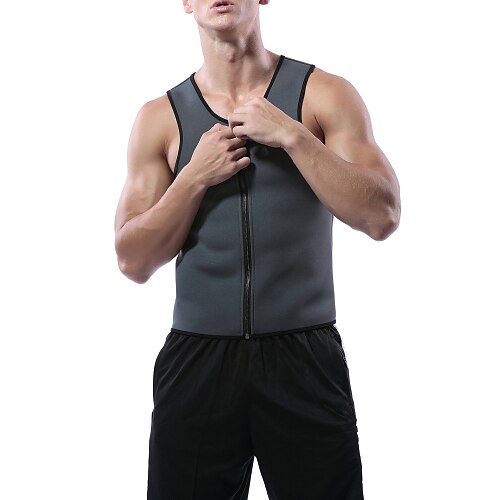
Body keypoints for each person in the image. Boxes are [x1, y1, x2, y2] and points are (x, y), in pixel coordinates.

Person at [114, 0, 401, 498]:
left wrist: (293, 136)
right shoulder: (160, 119)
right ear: (186, 3)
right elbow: (132, 260)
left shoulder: (324, 95)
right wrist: (194, 177)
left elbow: (382, 216)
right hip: (198, 362)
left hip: (304, 358)